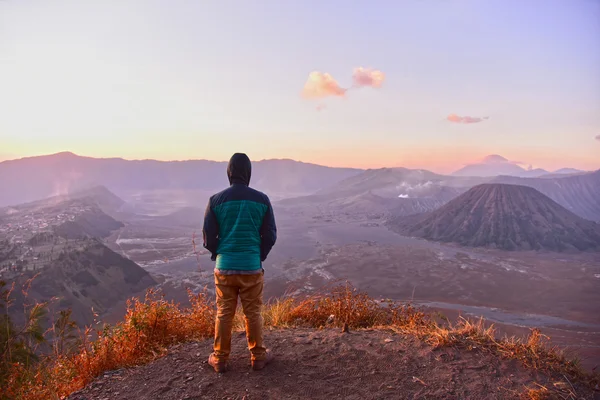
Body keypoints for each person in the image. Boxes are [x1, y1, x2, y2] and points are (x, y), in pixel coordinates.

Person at [202, 153, 277, 373]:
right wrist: (257, 255)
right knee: (252, 312)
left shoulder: (216, 200)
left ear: (229, 172)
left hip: (225, 266)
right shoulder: (262, 200)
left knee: (224, 312)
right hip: (252, 266)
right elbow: (270, 235)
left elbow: (208, 235)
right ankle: (258, 357)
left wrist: (219, 253)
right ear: (248, 173)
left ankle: (220, 359)